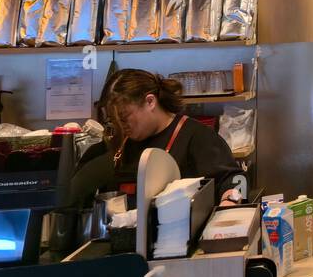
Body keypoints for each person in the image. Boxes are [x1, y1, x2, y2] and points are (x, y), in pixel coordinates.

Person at [80, 69, 245, 206]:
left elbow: (239, 180)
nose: (120, 126)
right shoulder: (118, 144)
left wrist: (230, 202)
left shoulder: (197, 137)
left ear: (150, 102)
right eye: (113, 120)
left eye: (124, 117)